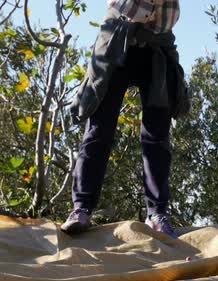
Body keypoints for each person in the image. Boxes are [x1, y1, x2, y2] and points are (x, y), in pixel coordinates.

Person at [60, 0, 190, 237]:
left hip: (157, 44)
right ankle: (81, 208)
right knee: (99, 130)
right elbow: (129, 7)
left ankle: (158, 214)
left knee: (157, 135)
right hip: (116, 38)